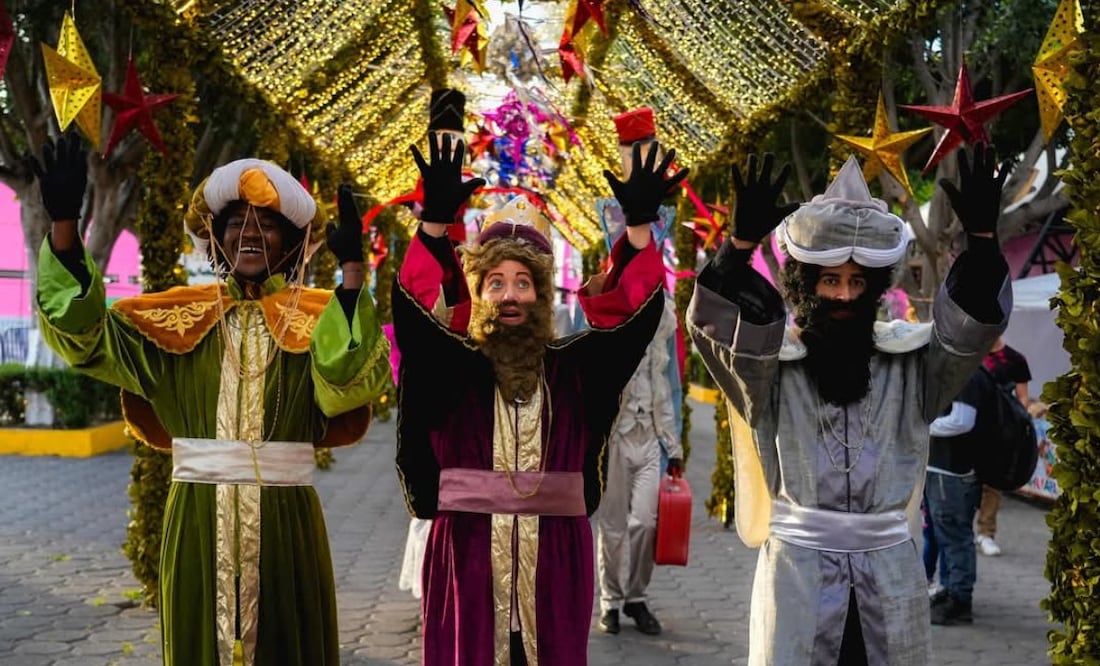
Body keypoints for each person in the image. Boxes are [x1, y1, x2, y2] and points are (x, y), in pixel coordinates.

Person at [30, 134, 391, 665]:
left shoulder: (321, 319)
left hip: (285, 522)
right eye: (236, 223)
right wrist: (64, 228)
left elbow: (345, 387)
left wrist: (352, 278)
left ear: (289, 242)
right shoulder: (172, 320)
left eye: (266, 223)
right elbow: (85, 341)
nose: (249, 233)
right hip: (195, 520)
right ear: (216, 237)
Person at [687, 146, 1010, 665]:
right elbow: (716, 336)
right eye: (830, 280)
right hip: (797, 578)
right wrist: (737, 249)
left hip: (890, 579)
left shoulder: (912, 367)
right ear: (806, 286)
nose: (843, 295)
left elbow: (966, 339)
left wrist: (984, 243)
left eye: (857, 282)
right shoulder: (771, 370)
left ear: (875, 288)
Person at [394, 129, 686, 665]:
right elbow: (412, 320)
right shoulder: (453, 366)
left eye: (523, 283)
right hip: (466, 553)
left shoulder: (577, 368)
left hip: (556, 557)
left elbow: (632, 321)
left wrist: (640, 232)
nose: (510, 295)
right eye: (496, 282)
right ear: (479, 293)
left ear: (542, 294)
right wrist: (432, 226)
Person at [595, 107, 682, 637]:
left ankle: (637, 596)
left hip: (650, 431)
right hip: (613, 429)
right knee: (610, 526)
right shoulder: (603, 305)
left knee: (645, 523)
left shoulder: (664, 311)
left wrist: (674, 441)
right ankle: (609, 599)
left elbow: (671, 376)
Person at [925, 370, 986, 626]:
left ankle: (959, 600)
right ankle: (950, 591)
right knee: (948, 535)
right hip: (945, 470)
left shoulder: (966, 374)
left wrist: (920, 426)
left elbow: (962, 421)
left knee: (955, 537)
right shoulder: (962, 370)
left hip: (952, 471)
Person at [974, 337, 1032, 556]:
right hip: (969, 429)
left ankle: (986, 533)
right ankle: (966, 530)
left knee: (993, 485)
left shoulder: (1014, 359)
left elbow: (1023, 398)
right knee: (968, 484)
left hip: (999, 432)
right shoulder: (971, 355)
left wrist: (1016, 423)